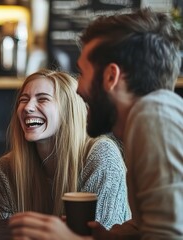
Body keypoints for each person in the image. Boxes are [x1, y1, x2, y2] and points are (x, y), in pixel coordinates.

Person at [76, 8, 183, 239]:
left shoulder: (154, 116)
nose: (78, 89)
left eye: (82, 73)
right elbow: (146, 226)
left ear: (111, 77)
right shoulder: (147, 120)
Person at [0, 69, 131, 236]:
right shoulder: (6, 169)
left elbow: (98, 236)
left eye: (42, 99)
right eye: (23, 100)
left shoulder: (101, 156)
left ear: (68, 110)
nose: (28, 107)